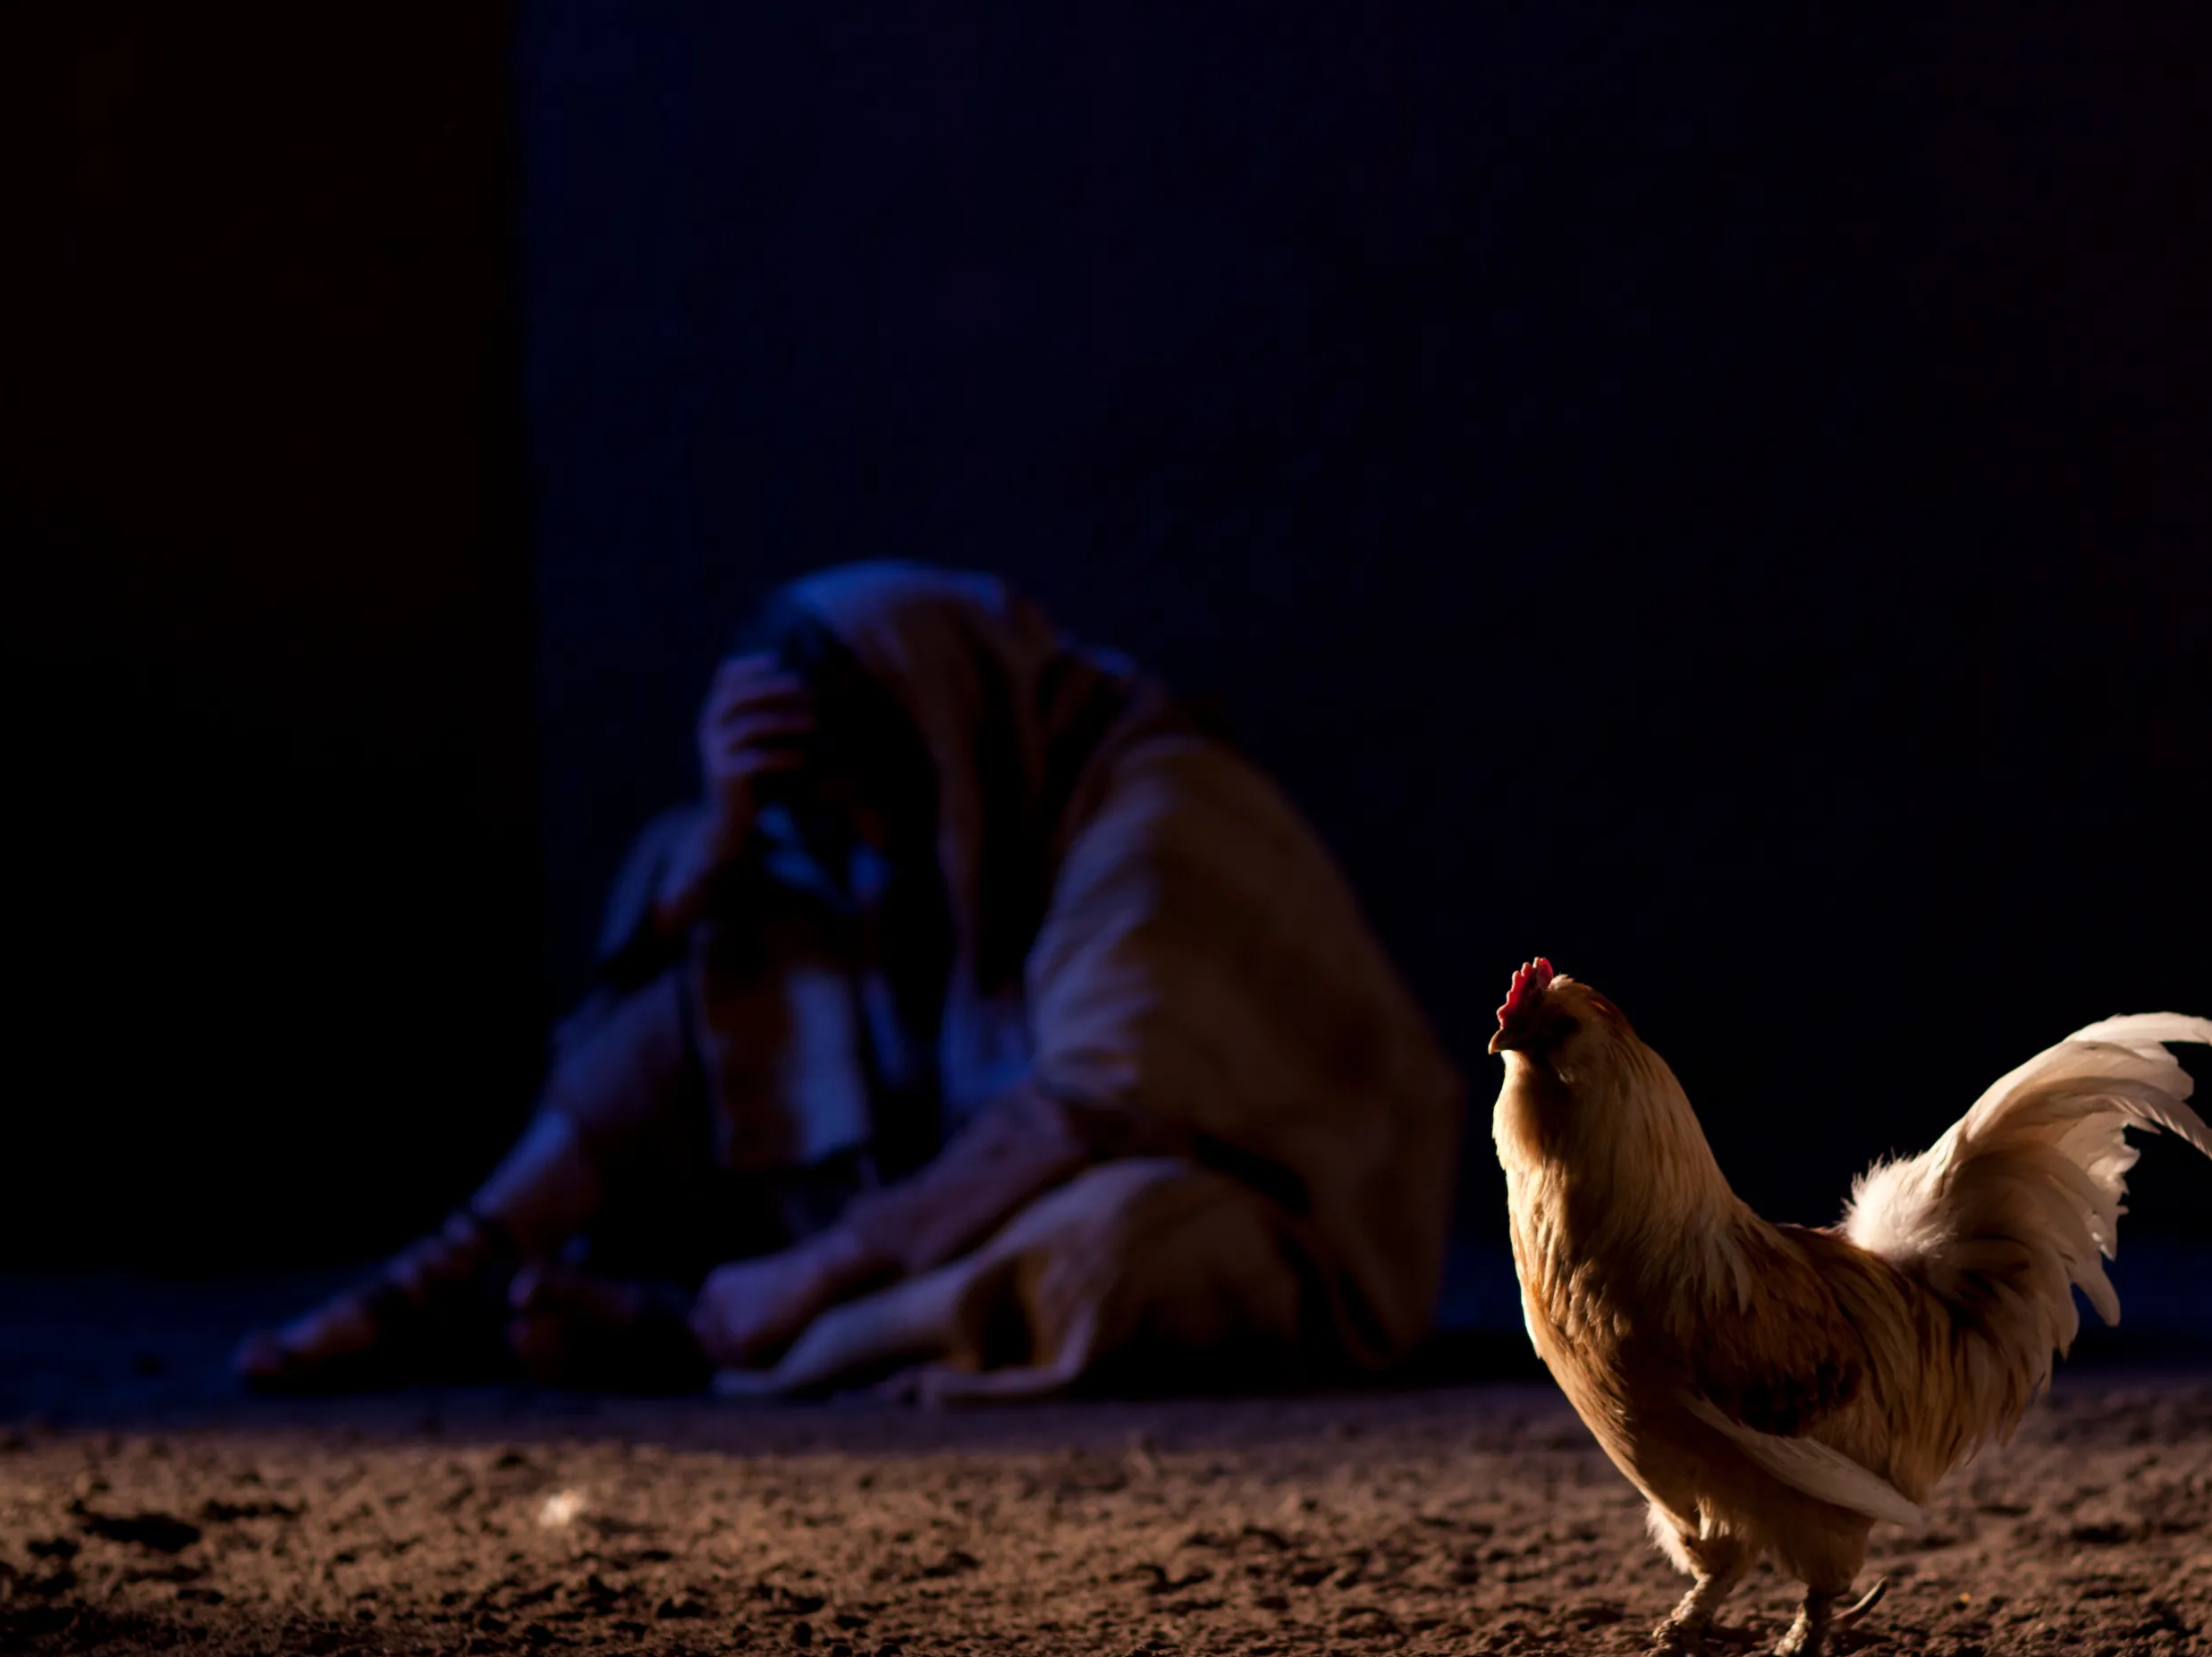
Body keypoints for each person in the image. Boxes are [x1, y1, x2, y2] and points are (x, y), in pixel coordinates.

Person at [232, 563, 1456, 1399]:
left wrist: (817, 1268)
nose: (861, 855)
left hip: (1244, 1215)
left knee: (1111, 1252)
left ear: (941, 750)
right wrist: (718, 849)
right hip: (946, 1195)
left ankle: (700, 1338)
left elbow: (1092, 1108)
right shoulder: (896, 863)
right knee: (719, 949)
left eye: (868, 807)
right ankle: (446, 1274)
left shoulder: (1160, 813)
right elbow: (637, 1038)